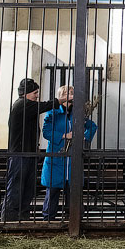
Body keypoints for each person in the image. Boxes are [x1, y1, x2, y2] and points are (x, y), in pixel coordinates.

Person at [0, 78, 59, 222]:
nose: (37, 95)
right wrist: (60, 100)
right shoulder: (22, 105)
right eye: (35, 92)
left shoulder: (27, 107)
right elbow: (45, 106)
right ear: (26, 93)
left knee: (27, 189)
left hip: (28, 154)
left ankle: (22, 217)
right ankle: (9, 219)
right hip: (20, 155)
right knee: (16, 188)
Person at [40, 85, 98, 221]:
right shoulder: (53, 112)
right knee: (52, 193)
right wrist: (65, 135)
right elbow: (46, 132)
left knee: (73, 193)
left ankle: (74, 220)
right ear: (61, 97)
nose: (70, 95)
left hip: (72, 160)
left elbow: (92, 126)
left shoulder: (78, 114)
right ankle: (48, 220)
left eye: (72, 92)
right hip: (56, 160)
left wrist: (84, 136)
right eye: (67, 93)